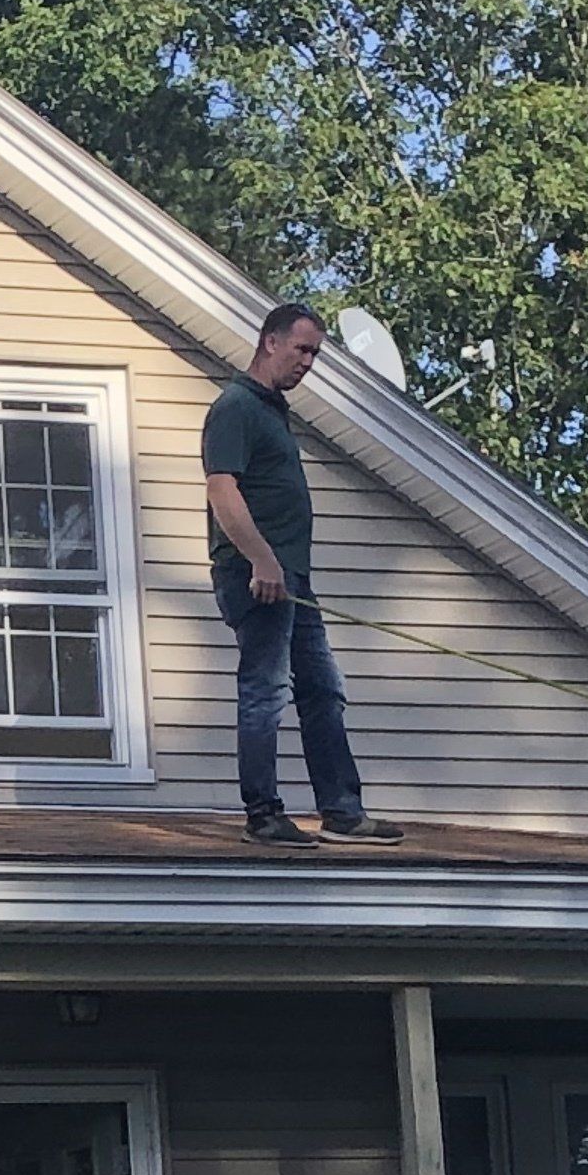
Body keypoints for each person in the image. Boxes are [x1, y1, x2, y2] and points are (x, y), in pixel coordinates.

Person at [203, 304, 403, 847]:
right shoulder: (236, 406)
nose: (308, 363)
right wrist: (261, 559)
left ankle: (341, 811)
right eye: (302, 350)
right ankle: (264, 815)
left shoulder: (272, 412)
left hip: (292, 578)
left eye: (314, 354)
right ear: (270, 342)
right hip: (257, 574)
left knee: (322, 688)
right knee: (265, 689)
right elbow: (222, 488)